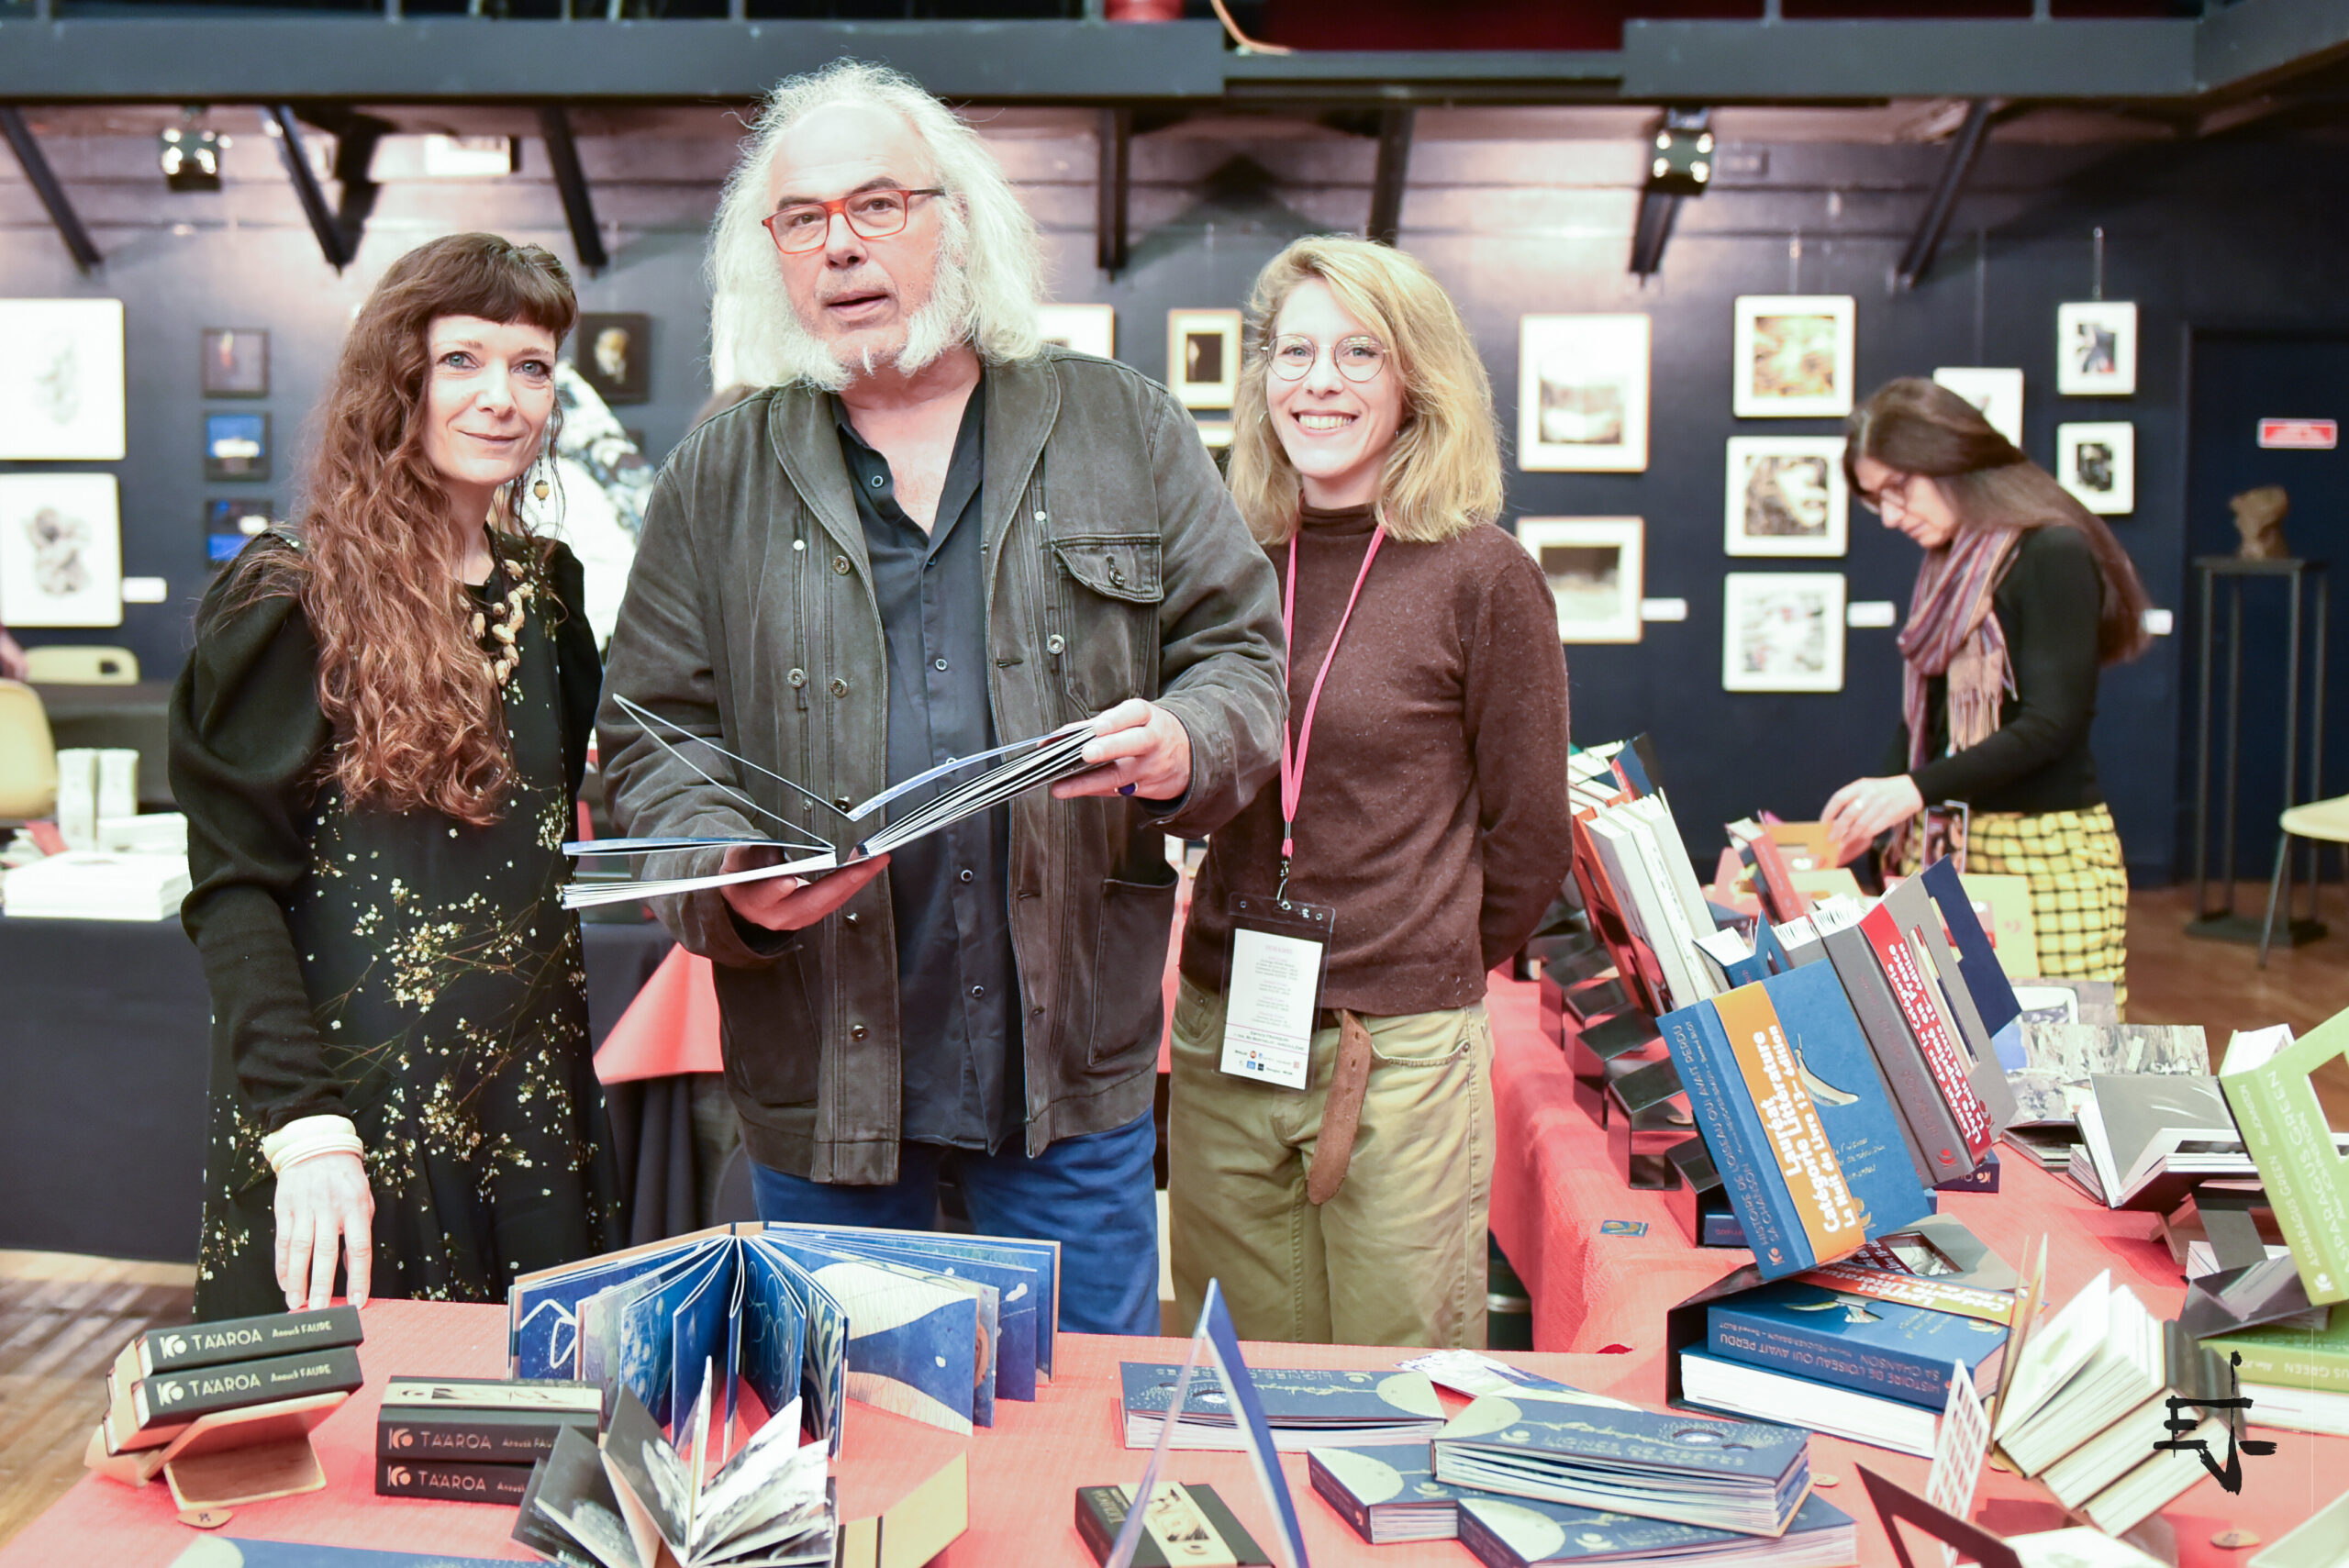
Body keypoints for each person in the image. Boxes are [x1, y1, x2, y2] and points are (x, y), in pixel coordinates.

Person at [596, 61, 1285, 1337]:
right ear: (771, 257)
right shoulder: (716, 476)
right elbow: (651, 736)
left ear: (954, 223)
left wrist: (1187, 739)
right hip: (823, 1080)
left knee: (1086, 1425)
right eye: (802, 219)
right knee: (852, 1426)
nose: (840, 245)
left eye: (878, 205)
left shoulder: (1120, 426)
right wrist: (724, 868)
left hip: (1068, 1077)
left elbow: (1242, 656)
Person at [172, 233, 623, 1319]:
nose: (502, 397)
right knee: (346, 1414)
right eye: (462, 359)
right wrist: (305, 1126)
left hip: (529, 1110)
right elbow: (233, 889)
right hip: (348, 1120)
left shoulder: (547, 591)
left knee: (528, 1405)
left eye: (530, 366)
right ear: (398, 377)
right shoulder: (291, 595)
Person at [1167, 235, 1575, 1349]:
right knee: (1236, 1375)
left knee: (1398, 1389)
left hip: (1395, 1046)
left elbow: (1531, 834)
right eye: (1292, 351)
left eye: (1359, 353)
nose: (1319, 381)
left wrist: (1418, 952)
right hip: (1225, 1022)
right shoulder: (1225, 563)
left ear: (1415, 382)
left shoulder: (1482, 575)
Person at [1823, 377, 2151, 1006]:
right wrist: (1876, 810)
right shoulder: (1950, 563)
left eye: (1898, 489)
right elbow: (1927, 722)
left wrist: (1910, 790)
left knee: (2060, 1050)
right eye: (1876, 500)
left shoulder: (2052, 551)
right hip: (1948, 846)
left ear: (1954, 460)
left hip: (2042, 857)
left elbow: (2052, 725)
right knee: (1950, 1047)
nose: (1889, 516)